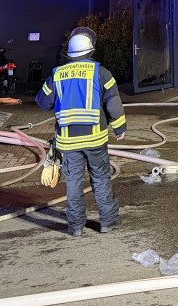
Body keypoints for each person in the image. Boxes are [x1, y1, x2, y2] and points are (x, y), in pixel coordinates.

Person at [35, 27, 126, 237]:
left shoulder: (57, 75)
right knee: (101, 178)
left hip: (68, 142)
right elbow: (113, 102)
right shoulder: (100, 72)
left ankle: (75, 226)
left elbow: (42, 102)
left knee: (74, 183)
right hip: (95, 139)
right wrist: (120, 127)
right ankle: (108, 222)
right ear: (90, 50)